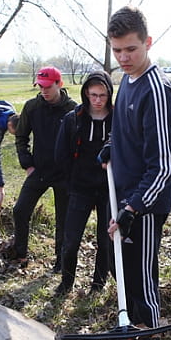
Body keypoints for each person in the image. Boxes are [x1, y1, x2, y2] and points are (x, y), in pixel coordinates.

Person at [104, 6, 171, 340]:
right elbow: (129, 135)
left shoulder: (156, 90)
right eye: (117, 50)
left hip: (144, 207)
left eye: (131, 50)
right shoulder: (128, 81)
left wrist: (134, 207)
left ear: (148, 43)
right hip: (123, 198)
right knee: (127, 274)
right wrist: (111, 147)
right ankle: (134, 337)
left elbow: (163, 166)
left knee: (143, 281)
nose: (123, 58)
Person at [54, 70, 114, 297]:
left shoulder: (118, 119)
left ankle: (98, 285)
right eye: (93, 95)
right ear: (86, 94)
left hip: (109, 189)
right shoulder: (73, 119)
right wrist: (71, 183)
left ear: (109, 95)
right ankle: (66, 282)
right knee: (71, 240)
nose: (97, 100)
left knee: (105, 240)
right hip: (80, 188)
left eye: (102, 95)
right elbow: (62, 155)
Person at [11, 67, 76, 271]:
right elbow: (21, 137)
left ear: (59, 84)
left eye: (48, 86)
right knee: (20, 210)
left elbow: (79, 144)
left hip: (64, 174)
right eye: (40, 86)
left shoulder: (73, 109)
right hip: (39, 170)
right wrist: (27, 163)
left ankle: (61, 262)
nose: (44, 90)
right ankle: (20, 254)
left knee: (63, 220)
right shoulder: (32, 107)